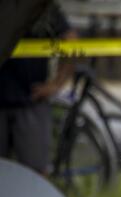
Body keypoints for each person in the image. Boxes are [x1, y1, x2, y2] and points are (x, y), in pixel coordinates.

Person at [0, 2, 74, 174]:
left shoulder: (37, 6)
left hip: (31, 101)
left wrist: (56, 84)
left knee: (35, 173)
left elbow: (70, 39)